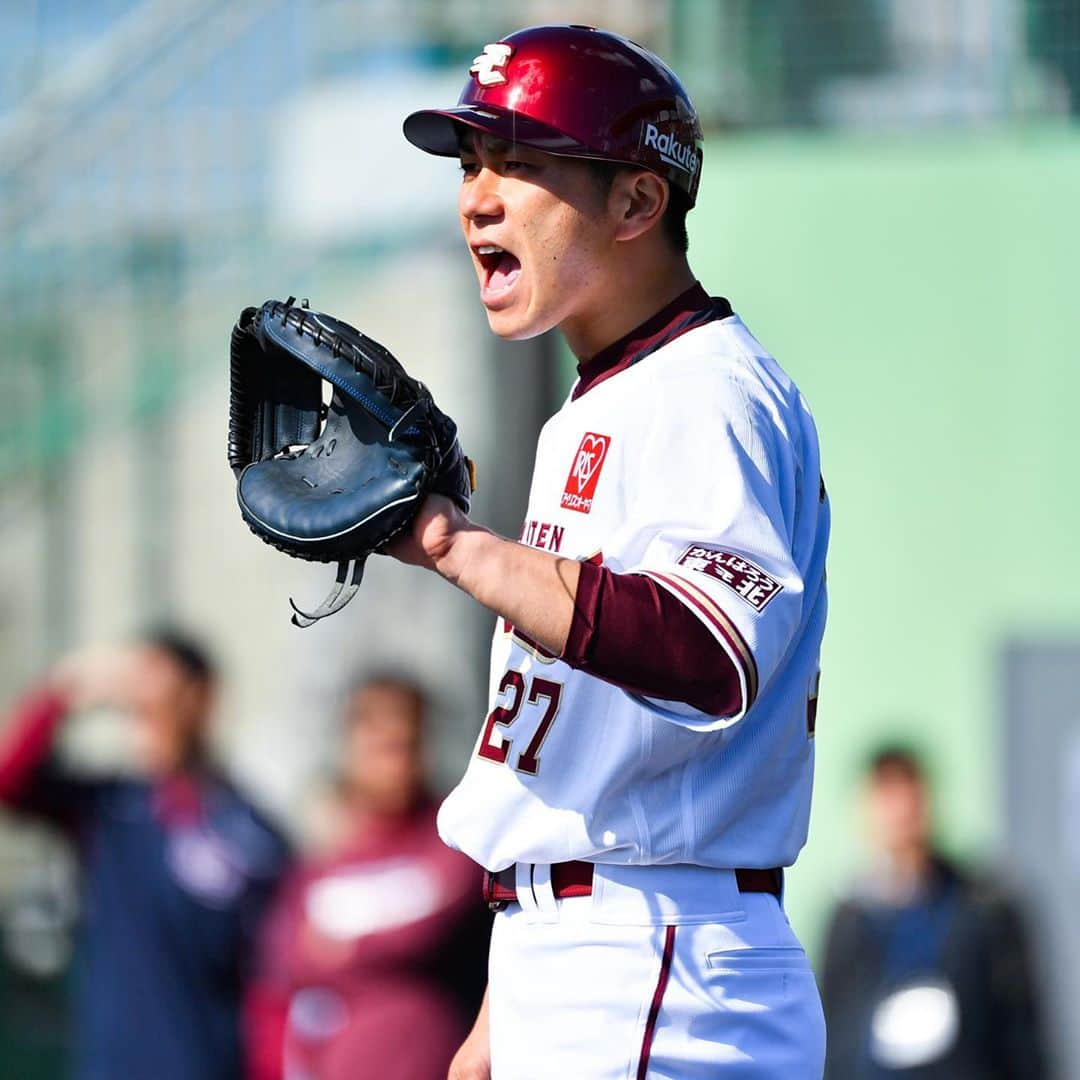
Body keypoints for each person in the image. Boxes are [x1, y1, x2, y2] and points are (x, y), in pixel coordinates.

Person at [390, 23, 831, 1079]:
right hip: (594, 949)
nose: (478, 197)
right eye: (470, 163)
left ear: (639, 203)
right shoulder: (613, 397)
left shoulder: (706, 390)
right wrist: (507, 1005)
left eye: (522, 163)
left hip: (652, 958)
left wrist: (456, 545)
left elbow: (704, 649)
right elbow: (589, 756)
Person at [0, 629, 290, 1080]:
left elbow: (274, 975)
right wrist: (63, 693)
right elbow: (10, 779)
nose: (143, 709)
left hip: (211, 1065)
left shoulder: (251, 832)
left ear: (200, 697)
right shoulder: (109, 809)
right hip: (113, 1066)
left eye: (159, 692)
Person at [245, 673, 488, 1080]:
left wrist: (342, 945)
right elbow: (285, 954)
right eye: (380, 747)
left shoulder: (453, 832)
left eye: (406, 745)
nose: (395, 764)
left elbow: (424, 933)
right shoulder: (328, 852)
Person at [820, 745, 1049, 1079]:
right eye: (886, 794)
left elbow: (1020, 1032)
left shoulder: (984, 909)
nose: (899, 811)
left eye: (907, 791)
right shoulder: (849, 920)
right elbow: (835, 1034)